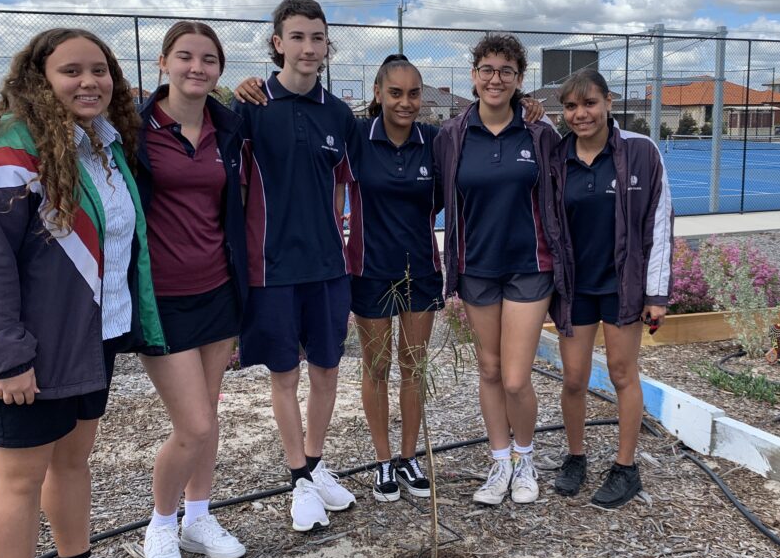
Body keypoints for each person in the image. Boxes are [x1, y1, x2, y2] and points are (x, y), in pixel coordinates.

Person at [234, 57, 546, 503]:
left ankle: (408, 456)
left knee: (413, 369)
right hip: (368, 271)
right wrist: (253, 86)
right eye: (395, 93)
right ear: (378, 94)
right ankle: (383, 462)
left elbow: (470, 153)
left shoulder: (436, 141)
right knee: (376, 369)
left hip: (419, 270)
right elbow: (302, 123)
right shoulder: (356, 136)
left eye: (414, 93)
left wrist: (528, 104)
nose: (405, 102)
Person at [0, 28, 164, 558]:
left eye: (100, 69)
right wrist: (6, 357)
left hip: (91, 336)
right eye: (72, 70)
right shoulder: (5, 150)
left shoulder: (104, 142)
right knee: (18, 478)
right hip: (29, 352)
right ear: (39, 77)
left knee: (72, 460)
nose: (89, 81)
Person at [232, 0, 358, 532]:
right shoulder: (250, 107)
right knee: (285, 376)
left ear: (328, 45)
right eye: (298, 37)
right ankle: (298, 480)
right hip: (271, 269)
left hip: (327, 268)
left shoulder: (339, 114)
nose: (309, 47)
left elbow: (340, 189)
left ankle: (316, 462)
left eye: (318, 37)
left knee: (327, 370)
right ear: (278, 43)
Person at [432, 32, 572, 506]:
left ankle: (525, 456)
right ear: (474, 77)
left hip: (530, 268)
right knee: (489, 370)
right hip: (476, 268)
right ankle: (499, 462)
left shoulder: (539, 132)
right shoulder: (451, 135)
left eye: (506, 72)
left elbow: (563, 193)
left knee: (516, 377)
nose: (495, 79)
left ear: (518, 80)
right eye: (487, 70)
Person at [136, 21, 248, 558]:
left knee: (210, 412)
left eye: (208, 59)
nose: (196, 68)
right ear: (163, 63)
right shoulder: (132, 130)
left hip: (217, 290)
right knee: (195, 423)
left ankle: (197, 517)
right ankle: (159, 524)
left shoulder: (225, 128)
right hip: (162, 299)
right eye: (185, 57)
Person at [550, 69, 673, 508]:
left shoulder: (641, 152)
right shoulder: (556, 157)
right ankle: (576, 457)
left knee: (623, 374)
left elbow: (659, 225)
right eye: (570, 106)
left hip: (623, 286)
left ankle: (626, 468)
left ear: (608, 102)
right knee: (574, 380)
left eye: (589, 103)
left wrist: (657, 295)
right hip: (574, 288)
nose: (580, 114)